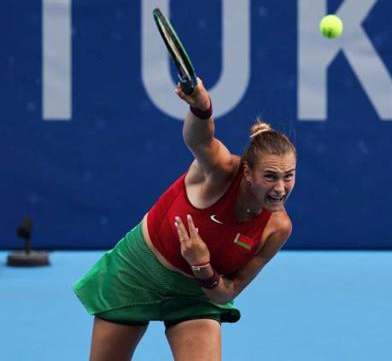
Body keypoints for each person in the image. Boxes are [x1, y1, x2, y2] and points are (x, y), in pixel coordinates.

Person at [73, 78, 296, 360]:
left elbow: (228, 292)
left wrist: (202, 266)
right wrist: (202, 108)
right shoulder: (220, 170)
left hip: (196, 295)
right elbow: (199, 139)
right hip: (137, 272)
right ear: (247, 172)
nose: (280, 188)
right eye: (270, 176)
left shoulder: (277, 228)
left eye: (288, 176)